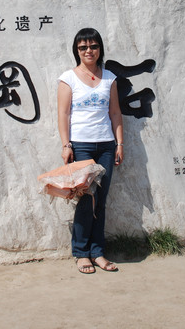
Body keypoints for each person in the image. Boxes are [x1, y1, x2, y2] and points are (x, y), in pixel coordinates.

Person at [57, 28, 124, 274]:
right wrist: (66, 145)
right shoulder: (69, 78)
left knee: (101, 200)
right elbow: (63, 114)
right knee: (87, 198)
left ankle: (98, 252)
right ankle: (81, 252)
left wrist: (119, 143)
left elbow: (115, 113)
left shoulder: (109, 78)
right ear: (77, 51)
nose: (89, 51)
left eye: (93, 46)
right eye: (83, 47)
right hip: (82, 145)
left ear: (100, 49)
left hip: (106, 144)